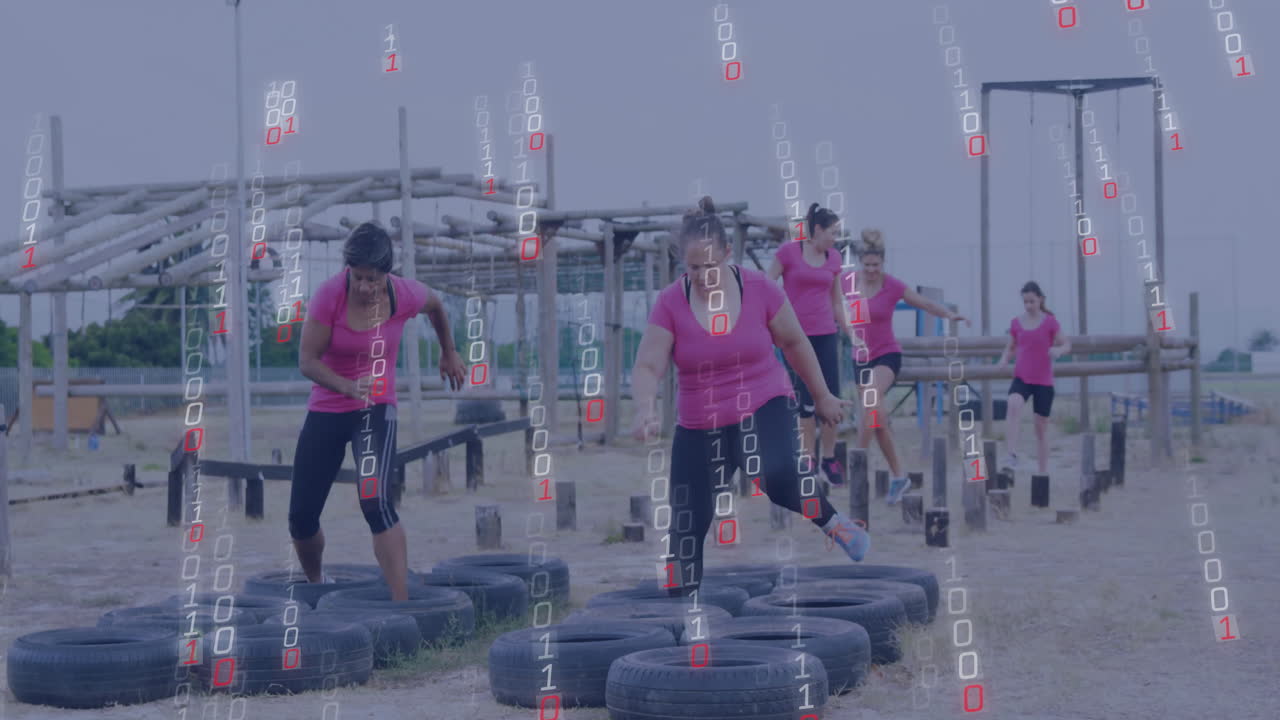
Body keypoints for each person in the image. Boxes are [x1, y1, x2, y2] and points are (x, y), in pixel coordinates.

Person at [629, 196, 870, 597]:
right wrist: (645, 409)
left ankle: (836, 525)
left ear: (727, 253)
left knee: (775, 473)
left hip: (763, 402)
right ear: (681, 265)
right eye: (694, 268)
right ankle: (677, 622)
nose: (704, 275)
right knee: (686, 525)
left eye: (711, 265)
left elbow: (794, 343)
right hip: (699, 422)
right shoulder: (671, 301)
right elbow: (648, 366)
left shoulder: (758, 289)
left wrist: (823, 396)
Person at [292, 222, 466, 602]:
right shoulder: (329, 296)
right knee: (301, 516)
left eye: (373, 279)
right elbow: (307, 361)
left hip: (375, 407)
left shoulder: (404, 294)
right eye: (358, 278)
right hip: (328, 405)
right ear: (348, 271)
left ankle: (402, 606)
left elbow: (435, 306)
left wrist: (448, 351)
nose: (365, 287)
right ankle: (316, 586)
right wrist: (347, 386)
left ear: (387, 274)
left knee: (375, 500)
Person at [846, 229, 970, 506]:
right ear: (860, 264)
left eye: (875, 265)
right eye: (866, 265)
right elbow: (824, 295)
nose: (871, 270)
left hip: (886, 356)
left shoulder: (892, 286)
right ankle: (900, 477)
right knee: (876, 420)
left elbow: (924, 303)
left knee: (870, 403)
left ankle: (858, 463)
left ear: (883, 264)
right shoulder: (848, 282)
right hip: (860, 358)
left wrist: (949, 314)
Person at [767, 202, 853, 486]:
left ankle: (829, 459)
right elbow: (768, 285)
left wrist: (853, 335)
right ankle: (808, 459)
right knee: (803, 400)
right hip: (794, 337)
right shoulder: (788, 253)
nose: (835, 238)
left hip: (826, 334)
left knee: (830, 397)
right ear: (817, 229)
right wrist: (769, 321)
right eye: (832, 232)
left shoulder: (834, 259)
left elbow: (837, 301)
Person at [996, 281, 1070, 474]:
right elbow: (1011, 347)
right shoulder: (1016, 323)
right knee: (1013, 403)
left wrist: (1058, 350)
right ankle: (1011, 454)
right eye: (1025, 302)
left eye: (1032, 301)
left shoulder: (1050, 322)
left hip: (1043, 382)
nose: (1028, 305)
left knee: (1040, 428)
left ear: (1040, 300)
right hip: (1022, 378)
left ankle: (1042, 472)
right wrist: (1004, 359)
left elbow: (1066, 344)